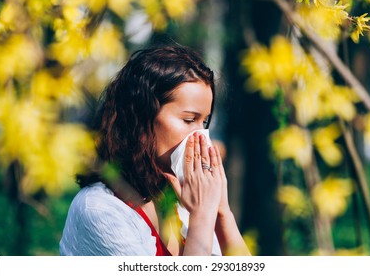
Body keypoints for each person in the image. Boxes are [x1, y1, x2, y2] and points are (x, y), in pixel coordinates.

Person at [59, 44, 251, 256]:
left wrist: (221, 212)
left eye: (204, 122)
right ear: (141, 119)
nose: (201, 138)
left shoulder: (181, 200)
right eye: (189, 120)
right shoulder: (99, 210)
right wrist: (203, 215)